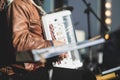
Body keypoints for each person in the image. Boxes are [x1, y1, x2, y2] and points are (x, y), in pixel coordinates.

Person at [0, 0, 97, 80]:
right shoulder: (18, 4)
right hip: (25, 73)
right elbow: (19, 44)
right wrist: (52, 45)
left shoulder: (32, 6)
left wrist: (55, 53)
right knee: (85, 77)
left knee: (87, 74)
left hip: (37, 68)